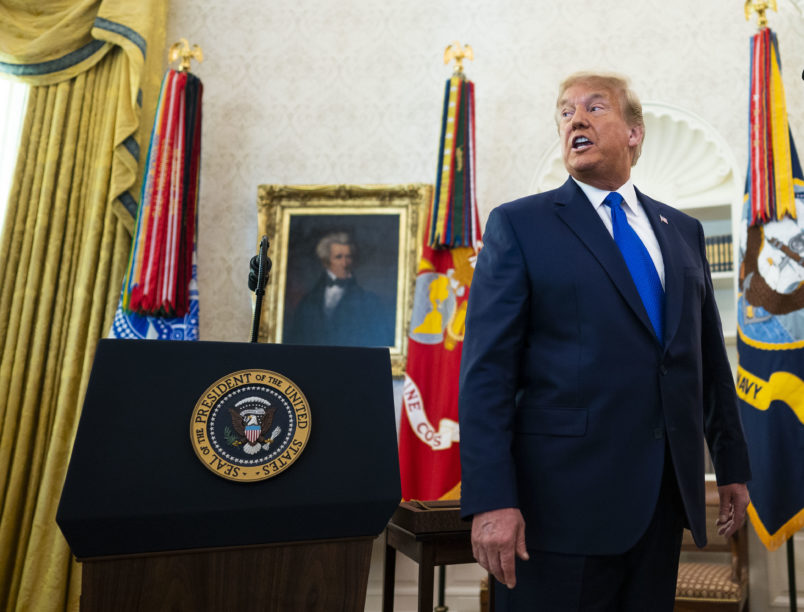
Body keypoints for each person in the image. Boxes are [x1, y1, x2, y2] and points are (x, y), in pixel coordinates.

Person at [458, 72, 751, 611]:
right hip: (558, 509)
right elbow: (486, 375)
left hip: (661, 503)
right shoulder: (520, 225)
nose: (576, 119)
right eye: (566, 111)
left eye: (595, 108)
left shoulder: (682, 231)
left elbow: (706, 358)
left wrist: (732, 467)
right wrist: (492, 499)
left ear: (634, 133)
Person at [284, 231, 393, 347]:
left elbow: (378, 341)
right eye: (338, 257)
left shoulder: (369, 301)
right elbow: (296, 338)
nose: (345, 263)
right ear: (326, 262)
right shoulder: (308, 302)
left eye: (348, 257)